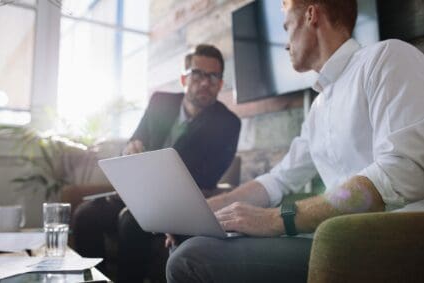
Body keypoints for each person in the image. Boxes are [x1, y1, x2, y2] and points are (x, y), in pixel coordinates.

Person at [165, 0, 424, 282]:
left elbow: (402, 171)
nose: (285, 45)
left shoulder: (386, 58)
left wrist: (280, 218)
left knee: (191, 259)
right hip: (330, 238)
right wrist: (205, 213)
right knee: (191, 242)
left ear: (311, 15)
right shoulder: (319, 107)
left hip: (382, 245)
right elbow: (278, 179)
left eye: (287, 27)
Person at [72, 44, 241, 282]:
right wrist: (129, 150)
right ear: (184, 78)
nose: (205, 82)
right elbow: (135, 140)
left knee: (131, 220)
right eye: (198, 74)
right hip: (136, 194)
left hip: (177, 202)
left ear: (221, 84)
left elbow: (207, 177)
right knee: (85, 215)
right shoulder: (161, 102)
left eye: (213, 76)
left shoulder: (228, 123)